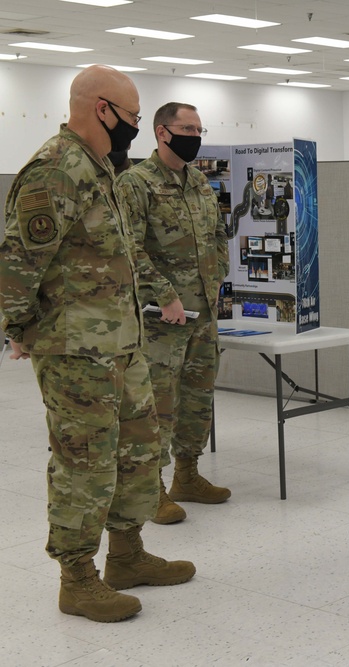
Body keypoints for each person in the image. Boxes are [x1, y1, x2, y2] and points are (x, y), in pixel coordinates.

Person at [0, 65, 196, 623]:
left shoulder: (102, 168)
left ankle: (127, 556)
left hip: (122, 341)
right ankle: (77, 578)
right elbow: (17, 262)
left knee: (137, 451)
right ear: (102, 109)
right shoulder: (54, 171)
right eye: (134, 117)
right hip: (75, 352)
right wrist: (17, 329)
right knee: (84, 464)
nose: (136, 126)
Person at [117, 102, 231, 525]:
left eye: (200, 128)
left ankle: (188, 475)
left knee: (198, 401)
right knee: (158, 407)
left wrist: (216, 279)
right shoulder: (136, 183)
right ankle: (155, 490)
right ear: (162, 132)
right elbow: (128, 246)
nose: (196, 135)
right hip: (161, 319)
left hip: (203, 314)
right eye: (188, 128)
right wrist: (164, 294)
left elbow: (219, 234)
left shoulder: (199, 181)